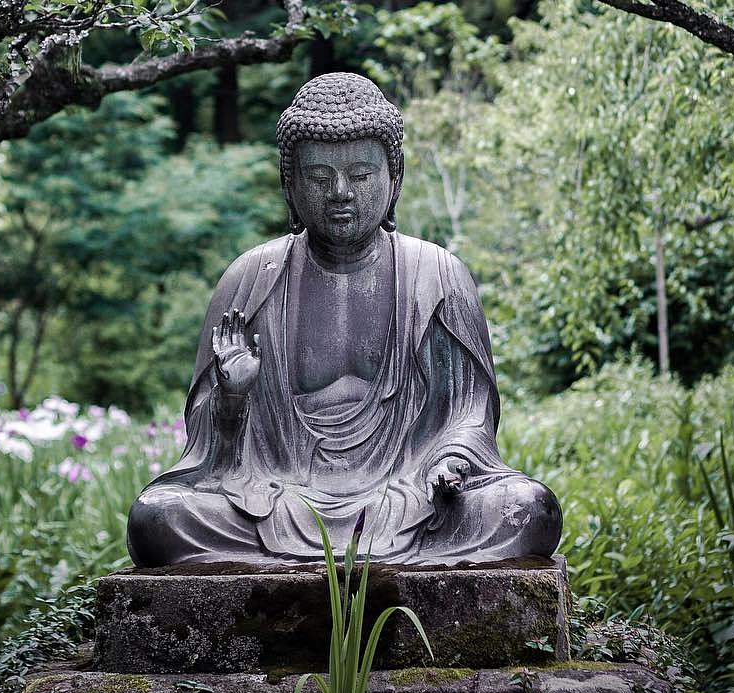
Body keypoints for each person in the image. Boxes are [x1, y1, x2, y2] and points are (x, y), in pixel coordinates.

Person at [127, 73, 561, 566]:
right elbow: (212, 454)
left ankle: (302, 565)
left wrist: (450, 462)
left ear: (393, 179)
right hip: (279, 497)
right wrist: (231, 397)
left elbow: (469, 414)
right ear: (289, 185)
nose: (340, 192)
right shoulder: (250, 279)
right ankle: (350, 562)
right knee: (158, 519)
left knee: (529, 511)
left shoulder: (438, 276)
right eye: (318, 177)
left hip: (408, 497)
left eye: (360, 175)